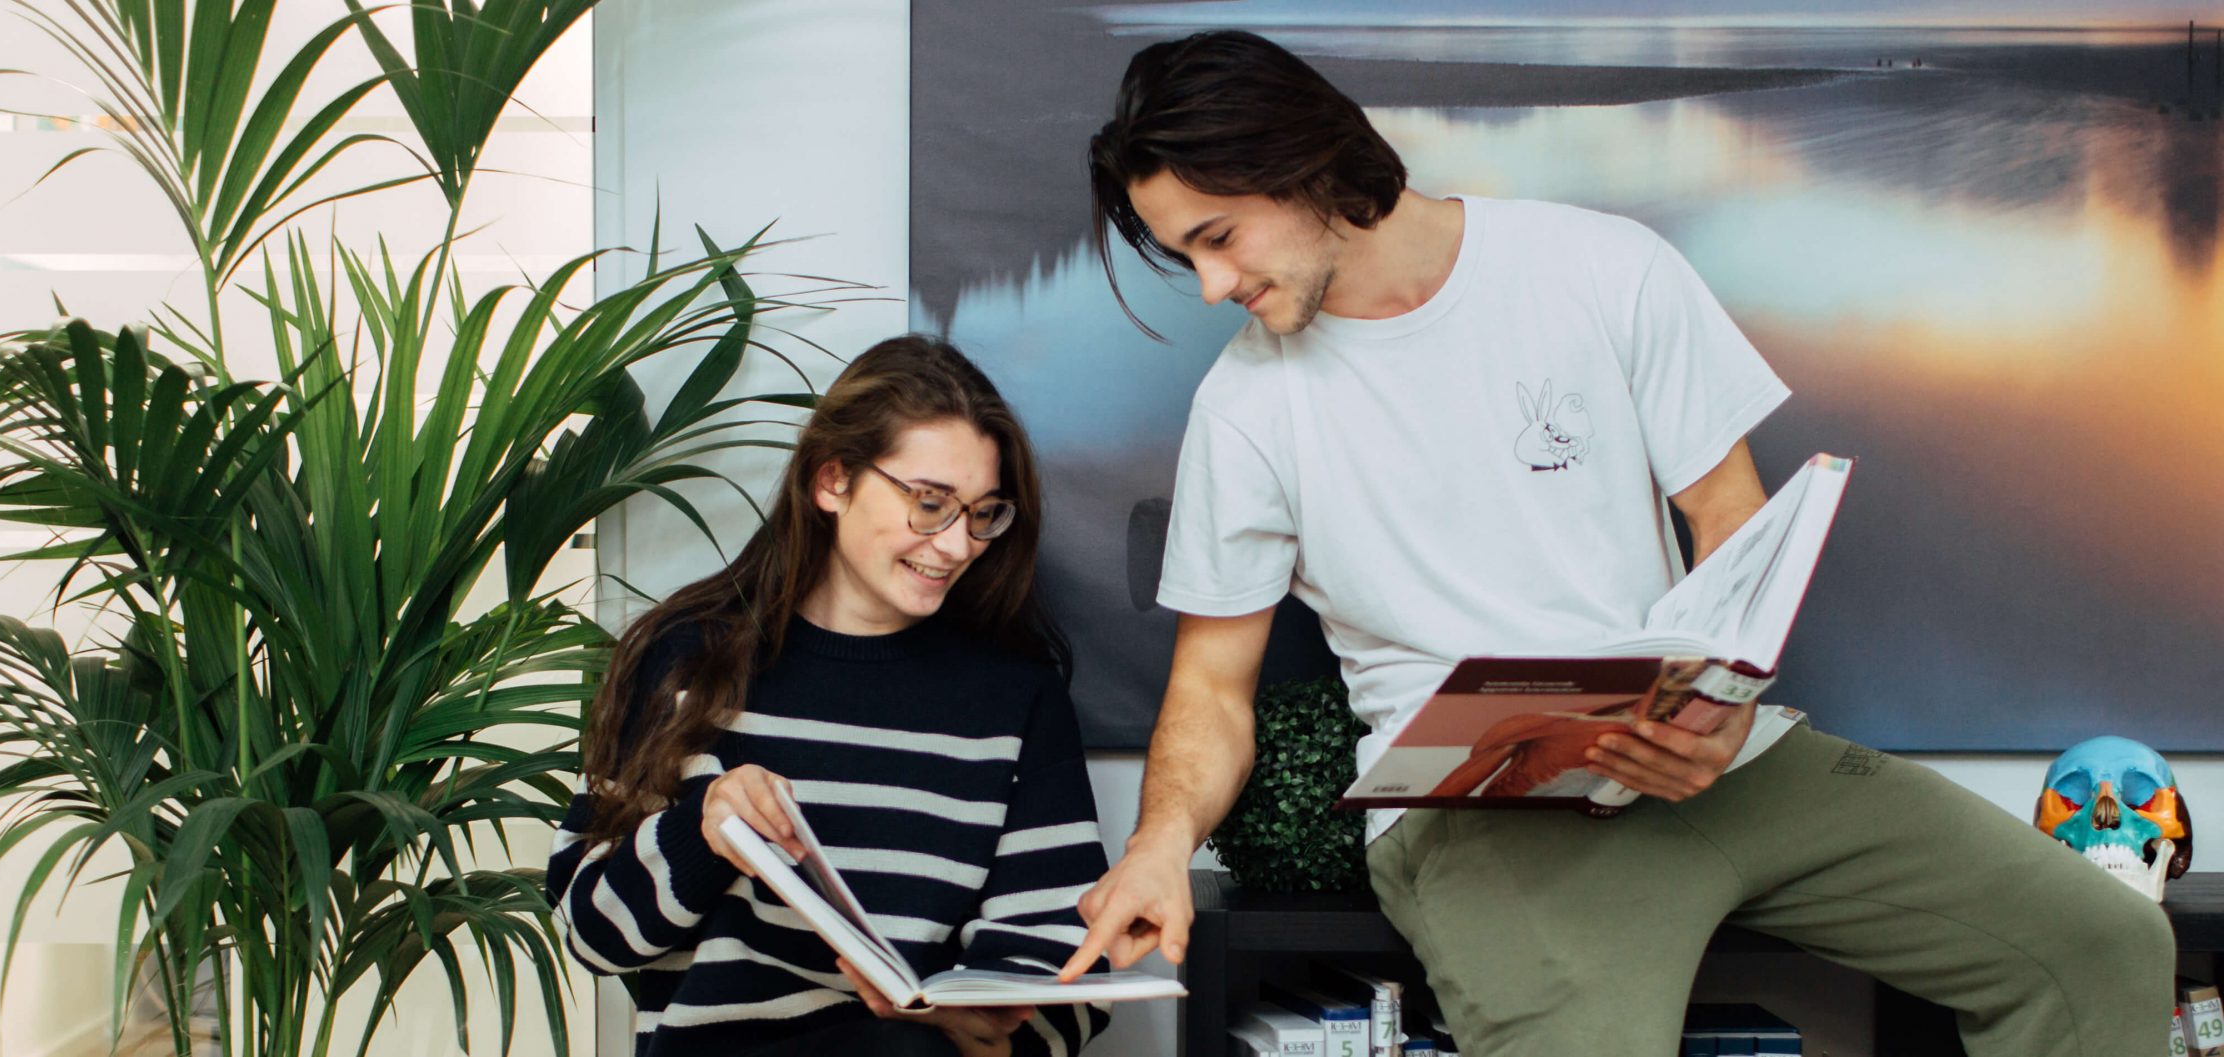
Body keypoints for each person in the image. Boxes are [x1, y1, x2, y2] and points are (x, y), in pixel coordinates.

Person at [1056, 29, 2174, 1056]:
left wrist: (1718, 707)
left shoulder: (1600, 267)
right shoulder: (1244, 407)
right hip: (1475, 812)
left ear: (1301, 164)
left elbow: (1730, 520)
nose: (1211, 285)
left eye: (1216, 237)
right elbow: (1210, 685)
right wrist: (1157, 843)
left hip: (1711, 758)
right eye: (1182, 257)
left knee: (2100, 945)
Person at [549, 335, 1112, 1057]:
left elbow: (1063, 959)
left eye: (983, 513)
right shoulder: (684, 660)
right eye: (930, 503)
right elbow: (590, 938)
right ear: (832, 481)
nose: (957, 544)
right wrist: (704, 831)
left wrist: (996, 1040)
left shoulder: (1015, 701)